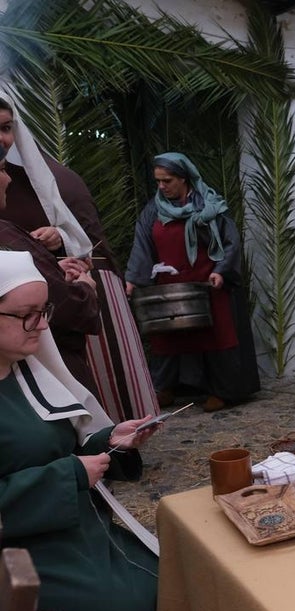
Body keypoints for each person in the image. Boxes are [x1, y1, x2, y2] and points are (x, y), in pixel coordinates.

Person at [0, 249, 160, 611]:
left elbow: (59, 452)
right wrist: (69, 475)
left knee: (169, 583)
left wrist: (112, 440)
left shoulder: (24, 369)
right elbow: (56, 469)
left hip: (74, 528)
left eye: (44, 311)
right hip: (22, 554)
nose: (43, 326)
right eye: (27, 316)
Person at [0, 91, 159, 422]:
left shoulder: (51, 179)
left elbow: (84, 241)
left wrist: (57, 243)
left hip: (58, 305)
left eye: (6, 128)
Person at [125, 152, 260, 412]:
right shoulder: (153, 210)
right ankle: (164, 387)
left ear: (184, 178)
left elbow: (229, 242)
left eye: (168, 180)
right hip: (169, 284)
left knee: (216, 337)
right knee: (167, 339)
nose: (162, 186)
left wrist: (221, 270)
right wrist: (133, 278)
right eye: (158, 182)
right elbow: (142, 245)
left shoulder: (208, 207)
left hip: (208, 282)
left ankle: (223, 391)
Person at [0, 141, 103, 392]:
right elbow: (70, 308)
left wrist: (54, 266)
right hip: (36, 372)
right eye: (1, 170)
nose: (8, 179)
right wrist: (84, 288)